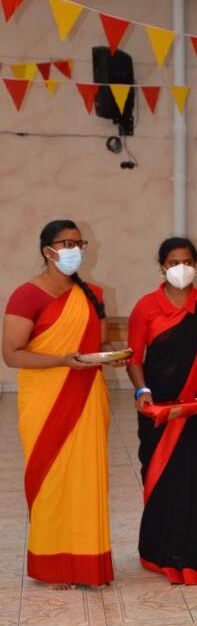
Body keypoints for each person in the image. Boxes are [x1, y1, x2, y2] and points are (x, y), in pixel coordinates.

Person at [2, 220, 114, 588]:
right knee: (51, 480)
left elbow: (98, 345)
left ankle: (86, 562)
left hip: (87, 395)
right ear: (47, 250)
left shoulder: (92, 293)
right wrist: (61, 361)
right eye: (66, 243)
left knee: (86, 480)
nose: (74, 249)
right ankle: (52, 565)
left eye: (78, 242)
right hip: (45, 399)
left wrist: (113, 356)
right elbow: (12, 354)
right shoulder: (26, 295)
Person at [127, 237, 197, 585]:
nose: (180, 268)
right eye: (173, 262)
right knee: (164, 480)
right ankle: (161, 553)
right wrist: (142, 390)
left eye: (186, 262)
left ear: (196, 265)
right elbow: (135, 358)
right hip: (159, 412)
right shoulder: (146, 307)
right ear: (162, 267)